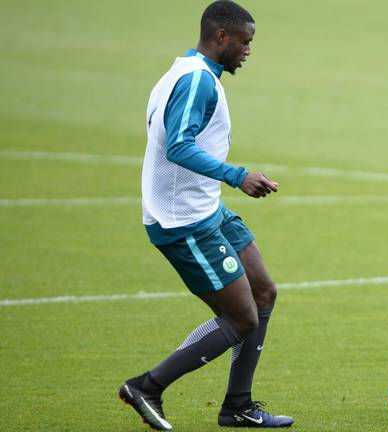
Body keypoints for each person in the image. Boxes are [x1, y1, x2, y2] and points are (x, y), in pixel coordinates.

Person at [118, 1, 293, 429]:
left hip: (206, 208)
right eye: (244, 41)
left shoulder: (188, 71)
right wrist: (238, 176)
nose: (248, 50)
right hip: (182, 221)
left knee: (264, 293)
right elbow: (179, 146)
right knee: (241, 318)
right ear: (220, 38)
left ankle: (238, 406)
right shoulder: (197, 81)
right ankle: (147, 386)